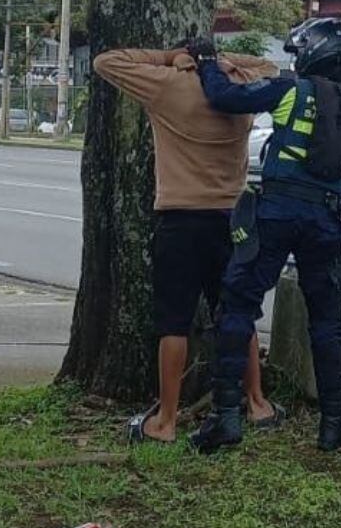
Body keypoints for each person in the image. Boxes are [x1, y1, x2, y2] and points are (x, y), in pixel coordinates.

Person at [185, 18, 341, 453]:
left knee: (238, 307)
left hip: (275, 214)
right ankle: (334, 423)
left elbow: (225, 98)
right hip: (329, 224)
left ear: (313, 52)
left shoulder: (292, 90)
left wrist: (207, 62)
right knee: (329, 322)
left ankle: (227, 418)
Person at [92, 45, 283, 443]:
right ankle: (257, 402)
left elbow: (106, 62)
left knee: (173, 322)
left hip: (179, 217)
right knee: (237, 314)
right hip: (233, 217)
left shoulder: (167, 86)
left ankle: (165, 420)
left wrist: (169, 58)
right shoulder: (241, 85)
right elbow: (271, 66)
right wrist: (225, 62)